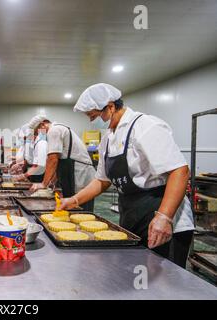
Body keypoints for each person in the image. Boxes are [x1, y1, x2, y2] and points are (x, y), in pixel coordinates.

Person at [59, 83, 194, 268]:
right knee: (137, 275)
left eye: (94, 116)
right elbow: (101, 181)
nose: (92, 122)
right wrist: (74, 200)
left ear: (111, 106)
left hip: (161, 212)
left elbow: (180, 171)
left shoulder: (145, 126)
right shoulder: (107, 138)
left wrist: (164, 217)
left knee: (163, 283)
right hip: (132, 213)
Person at [29, 115, 96, 211]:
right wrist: (52, 181)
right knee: (72, 207)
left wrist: (44, 184)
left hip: (79, 174)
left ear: (43, 125)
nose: (39, 135)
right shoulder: (57, 129)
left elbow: (53, 159)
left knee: (81, 209)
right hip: (72, 173)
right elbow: (59, 161)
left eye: (37, 132)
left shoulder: (54, 130)